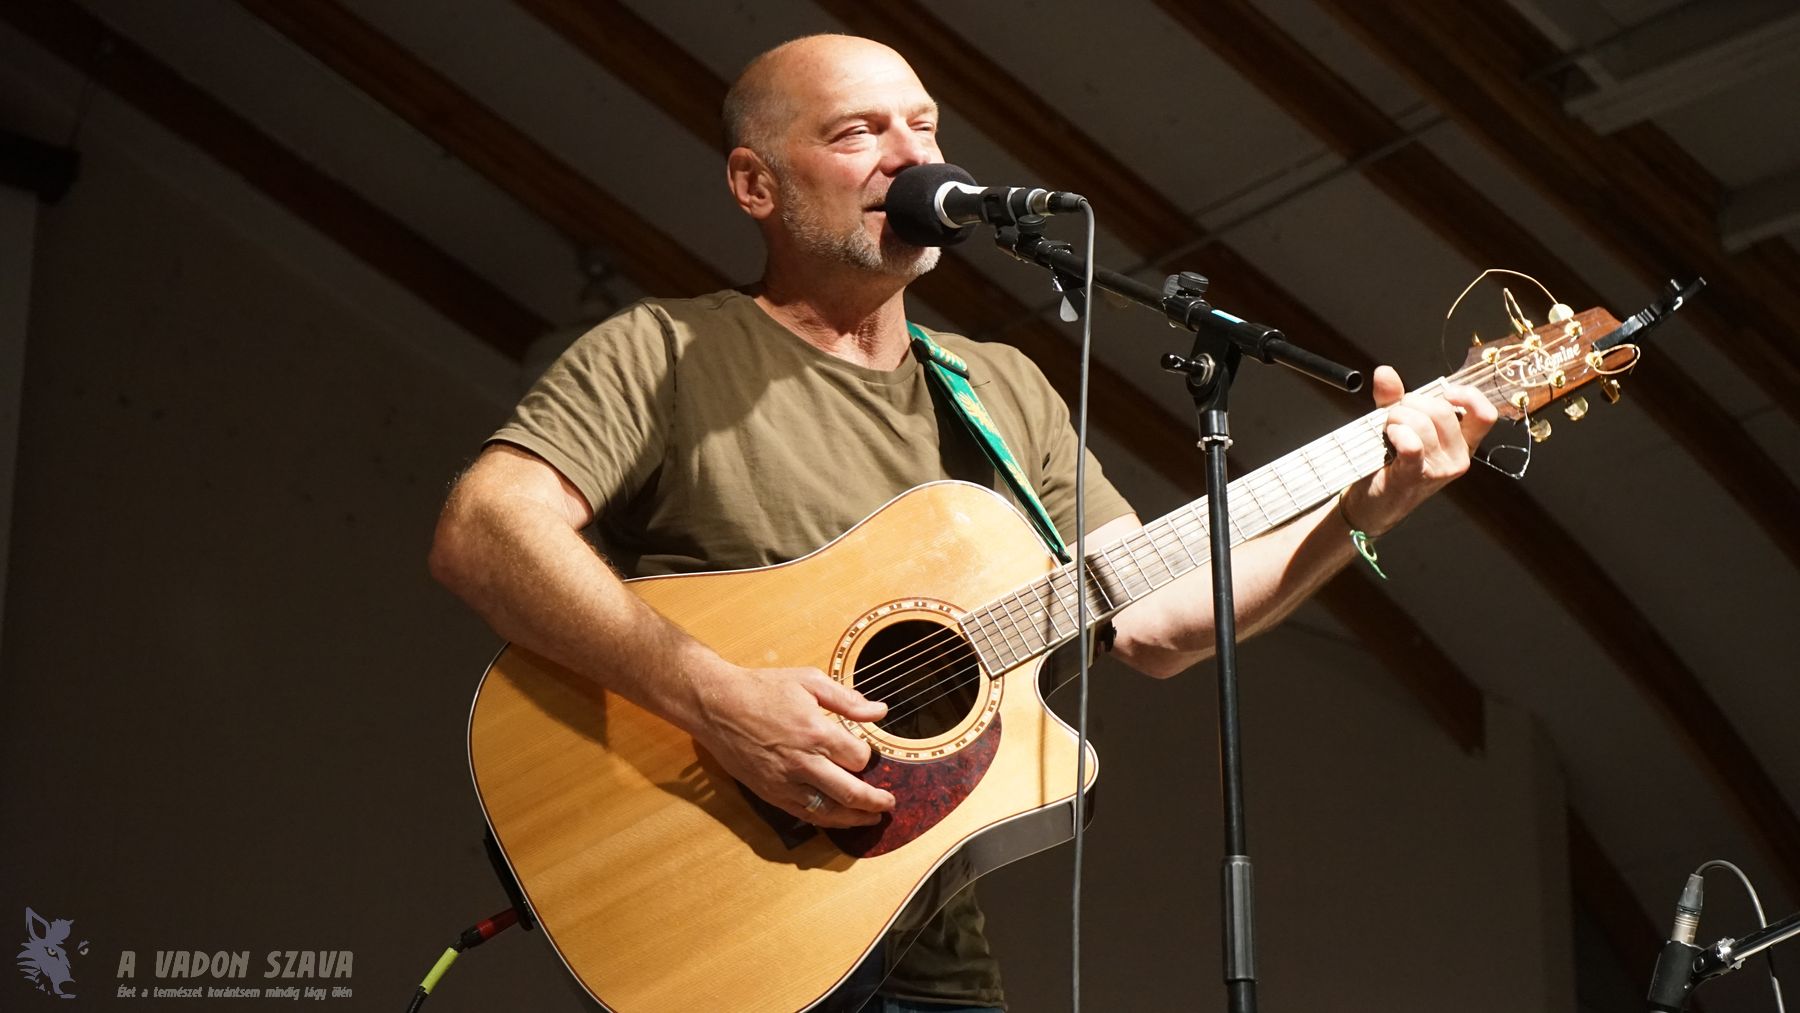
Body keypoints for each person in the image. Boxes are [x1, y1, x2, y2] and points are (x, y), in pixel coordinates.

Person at [429, 33, 1498, 1013]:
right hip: (719, 931)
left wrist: (1367, 505)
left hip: (936, 969)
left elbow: (1157, 619)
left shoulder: (999, 385)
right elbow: (485, 530)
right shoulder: (661, 350)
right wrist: (718, 698)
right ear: (755, 183)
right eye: (858, 132)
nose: (911, 155)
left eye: (924, 124)